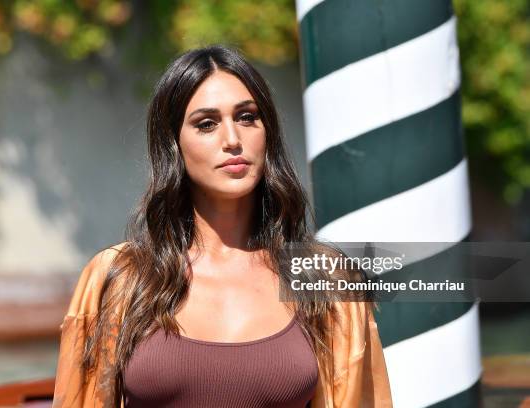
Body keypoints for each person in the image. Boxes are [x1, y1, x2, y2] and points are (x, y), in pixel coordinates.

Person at [52, 44, 392, 408]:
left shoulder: (327, 281)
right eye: (207, 124)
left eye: (247, 117)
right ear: (174, 144)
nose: (233, 140)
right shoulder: (120, 277)